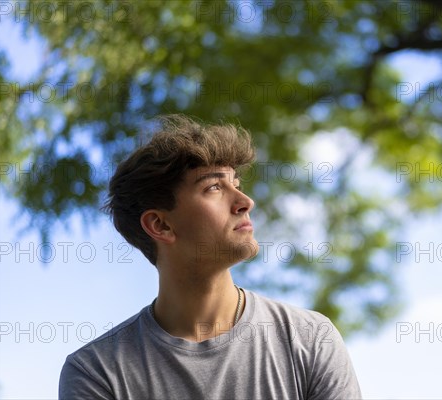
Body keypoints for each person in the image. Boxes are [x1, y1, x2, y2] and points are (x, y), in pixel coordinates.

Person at [59, 114, 363, 399]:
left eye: (237, 184)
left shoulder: (310, 339)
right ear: (160, 225)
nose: (245, 201)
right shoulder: (97, 372)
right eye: (215, 187)